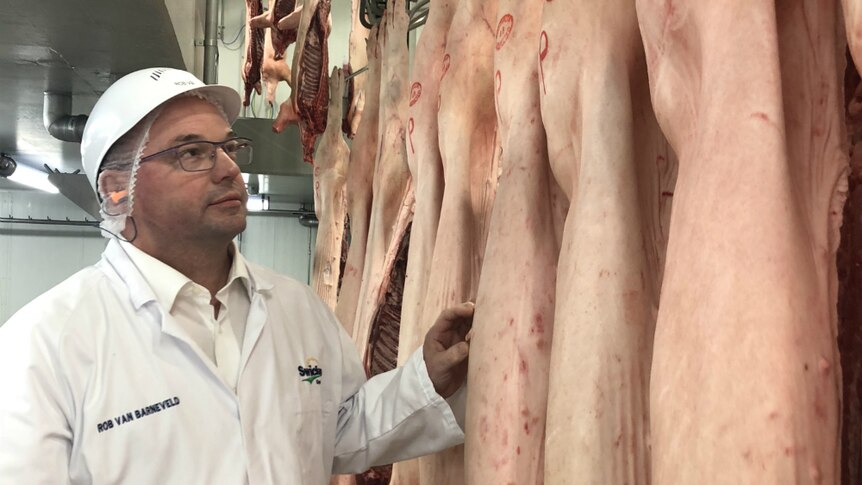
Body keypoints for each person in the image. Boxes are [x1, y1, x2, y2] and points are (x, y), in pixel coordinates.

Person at [0, 68, 472, 484]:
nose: (229, 169)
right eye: (192, 152)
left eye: (228, 147)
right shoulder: (44, 343)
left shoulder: (294, 307)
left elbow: (340, 430)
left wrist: (425, 379)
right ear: (118, 189)